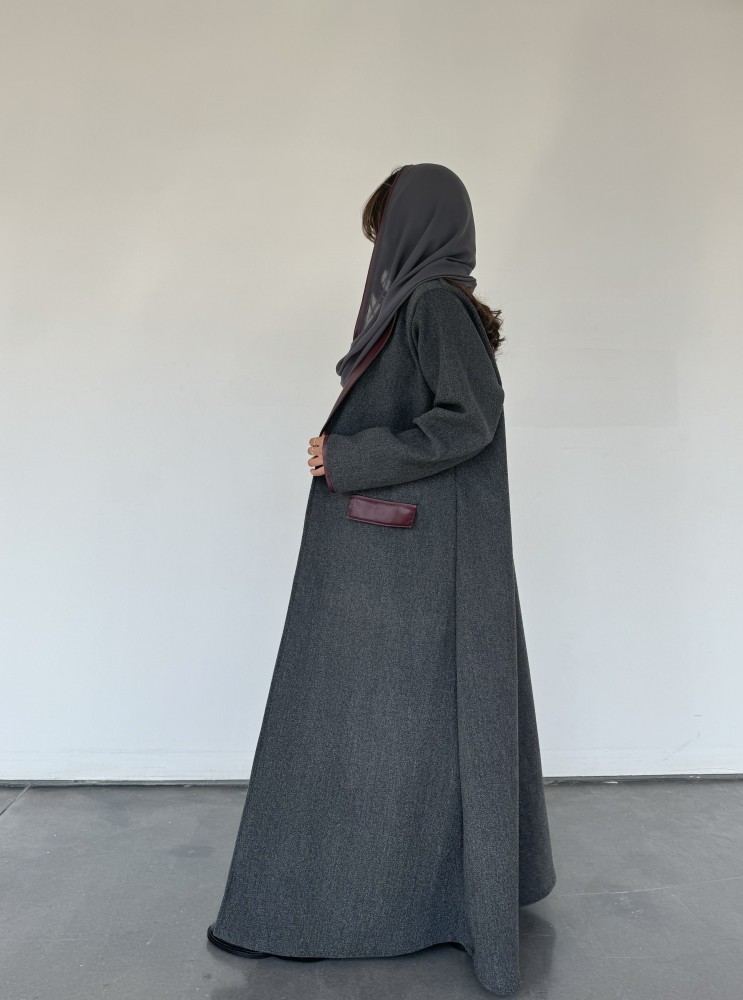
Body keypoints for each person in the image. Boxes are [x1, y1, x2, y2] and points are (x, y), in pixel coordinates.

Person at [207, 162, 556, 997]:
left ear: (417, 228)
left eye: (385, 231)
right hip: (410, 558)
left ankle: (362, 905)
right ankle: (418, 897)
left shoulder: (432, 304)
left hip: (414, 566)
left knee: (370, 731)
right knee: (402, 732)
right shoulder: (427, 305)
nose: (379, 251)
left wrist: (350, 458)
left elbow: (469, 420)